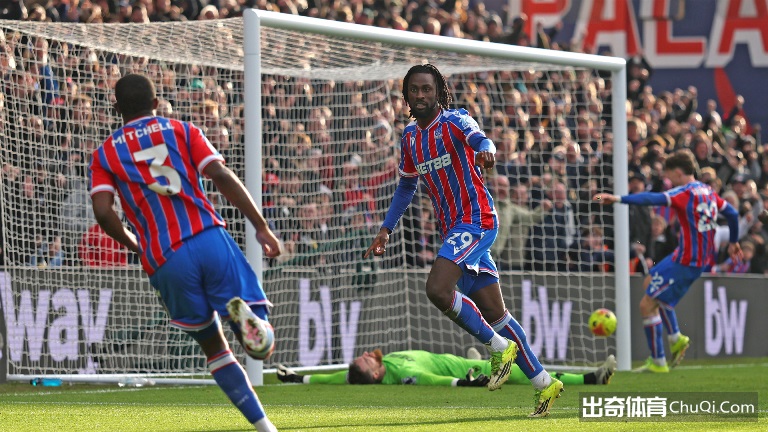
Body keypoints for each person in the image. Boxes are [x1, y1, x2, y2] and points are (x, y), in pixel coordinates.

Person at [364, 64, 563, 417]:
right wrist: (386, 228)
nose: (420, 95)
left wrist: (488, 151)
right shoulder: (410, 138)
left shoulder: (455, 121)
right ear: (406, 95)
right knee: (497, 314)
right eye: (414, 89)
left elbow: (481, 139)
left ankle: (498, 347)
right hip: (454, 229)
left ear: (438, 92)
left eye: (427, 89)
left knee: (437, 289)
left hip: (477, 219)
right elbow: (407, 185)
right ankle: (544, 383)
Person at [88, 74, 280, 432]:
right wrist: (260, 225)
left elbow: (102, 211)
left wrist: (135, 244)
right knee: (261, 349)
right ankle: (254, 328)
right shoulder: (183, 130)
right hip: (208, 237)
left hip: (165, 258)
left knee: (215, 349)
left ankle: (265, 428)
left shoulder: (104, 154)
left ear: (116, 108)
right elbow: (220, 174)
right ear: (156, 103)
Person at [593, 149, 742, 373]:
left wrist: (618, 199)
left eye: (669, 174)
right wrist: (733, 241)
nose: (668, 179)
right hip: (690, 257)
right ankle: (670, 344)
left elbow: (651, 198)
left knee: (647, 304)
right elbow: (732, 214)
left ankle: (665, 353)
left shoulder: (684, 192)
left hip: (687, 260)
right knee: (650, 283)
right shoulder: (708, 191)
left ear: (678, 172)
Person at [276, 349, 617, 387]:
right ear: (376, 374)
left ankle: (474, 356)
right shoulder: (401, 377)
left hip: (457, 360)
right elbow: (430, 379)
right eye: (365, 360)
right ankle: (590, 378)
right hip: (459, 367)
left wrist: (297, 377)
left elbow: (334, 378)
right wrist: (462, 383)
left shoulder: (356, 375)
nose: (365, 354)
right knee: (518, 368)